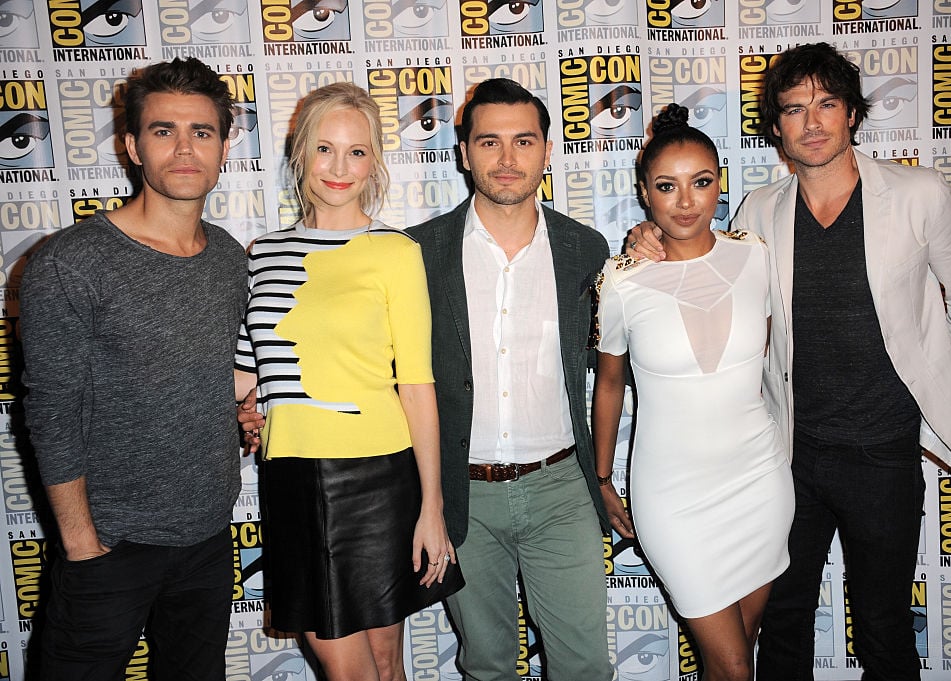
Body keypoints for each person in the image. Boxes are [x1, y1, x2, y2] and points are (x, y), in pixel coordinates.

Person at [628, 43, 951, 681]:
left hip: (883, 449)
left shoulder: (918, 194)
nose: (813, 122)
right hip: (785, 453)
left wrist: (940, 404)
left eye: (827, 104)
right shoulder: (760, 210)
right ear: (776, 127)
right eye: (795, 109)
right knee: (784, 623)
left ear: (851, 113)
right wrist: (651, 242)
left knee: (883, 626)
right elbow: (704, 270)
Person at [19, 57, 247, 680]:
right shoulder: (71, 262)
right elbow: (49, 411)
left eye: (202, 132)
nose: (184, 148)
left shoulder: (229, 258)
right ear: (131, 146)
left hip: (205, 540)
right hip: (108, 546)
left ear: (224, 146)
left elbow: (209, 373)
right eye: (163, 130)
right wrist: (81, 545)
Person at [233, 82, 462, 681]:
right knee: (345, 666)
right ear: (299, 154)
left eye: (357, 152)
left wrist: (431, 506)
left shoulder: (394, 252)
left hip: (381, 475)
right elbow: (244, 373)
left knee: (386, 662)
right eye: (325, 149)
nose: (339, 168)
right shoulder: (262, 254)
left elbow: (416, 383)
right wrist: (246, 407)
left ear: (375, 162)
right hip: (292, 474)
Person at [407, 78, 613, 680]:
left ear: (548, 151)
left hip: (561, 490)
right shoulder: (418, 251)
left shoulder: (586, 249)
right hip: (459, 494)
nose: (506, 159)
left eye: (523, 141)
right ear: (464, 151)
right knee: (488, 666)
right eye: (489, 142)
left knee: (585, 668)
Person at [591, 103, 794, 681]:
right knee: (733, 665)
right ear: (644, 194)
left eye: (701, 183)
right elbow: (608, 386)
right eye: (667, 187)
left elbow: (772, 357)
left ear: (720, 185)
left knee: (736, 655)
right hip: (673, 495)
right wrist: (602, 479)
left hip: (759, 478)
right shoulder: (622, 281)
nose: (686, 202)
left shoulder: (755, 255)